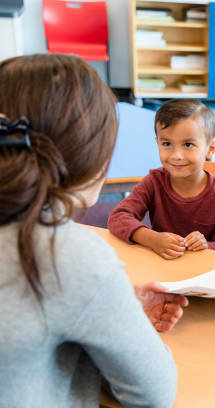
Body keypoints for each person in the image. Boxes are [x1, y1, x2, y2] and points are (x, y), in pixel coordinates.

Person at [0, 54, 188, 407]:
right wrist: (111, 307)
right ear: (94, 155)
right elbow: (152, 394)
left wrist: (106, 304)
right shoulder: (70, 255)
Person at [108, 99, 215, 259]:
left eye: (188, 145)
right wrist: (152, 239)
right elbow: (118, 217)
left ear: (210, 149)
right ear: (157, 143)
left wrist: (206, 246)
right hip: (161, 263)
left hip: (201, 269)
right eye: (167, 143)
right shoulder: (153, 182)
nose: (176, 156)